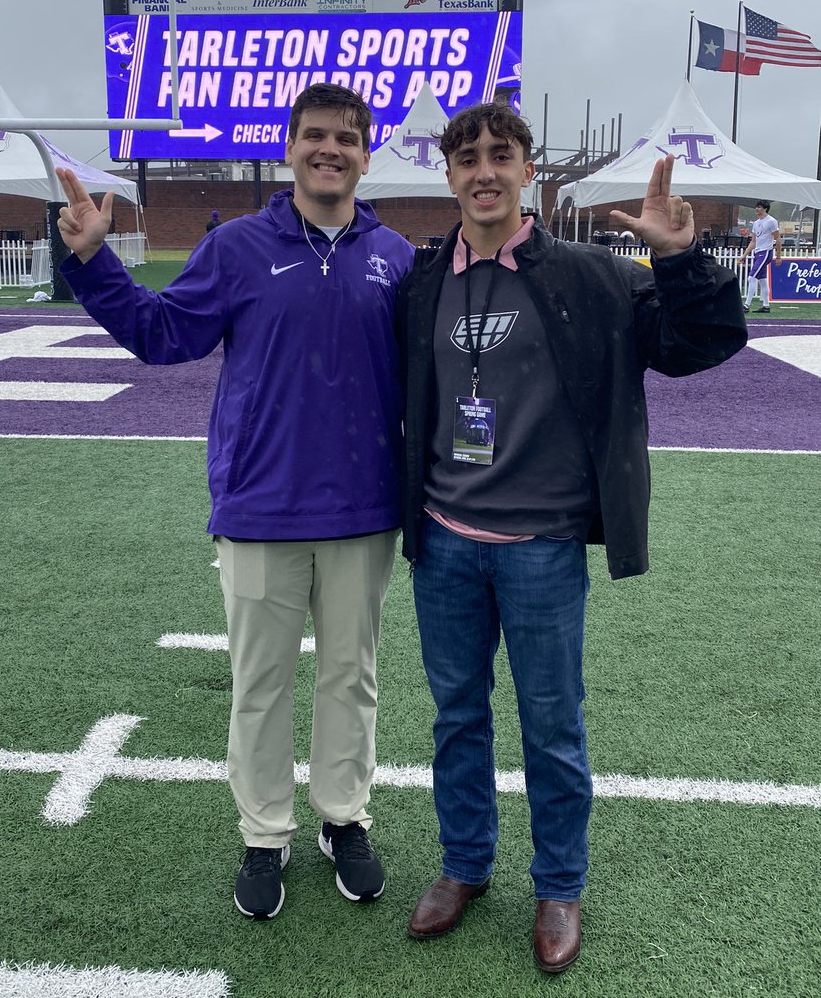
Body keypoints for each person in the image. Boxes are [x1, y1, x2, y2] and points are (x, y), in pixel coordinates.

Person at [397, 102, 747, 972]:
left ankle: (559, 885)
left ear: (527, 170)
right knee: (456, 717)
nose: (484, 170)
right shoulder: (422, 279)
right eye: (468, 157)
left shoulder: (591, 275)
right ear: (448, 175)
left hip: (542, 547)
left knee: (552, 726)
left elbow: (703, 343)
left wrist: (681, 260)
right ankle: (465, 865)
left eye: (502, 155)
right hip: (442, 540)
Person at [55, 83, 415, 921]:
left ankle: (342, 817)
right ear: (289, 146)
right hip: (259, 503)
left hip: (365, 505)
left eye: (346, 139)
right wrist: (93, 261)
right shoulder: (237, 246)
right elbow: (161, 334)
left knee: (351, 677)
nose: (330, 150)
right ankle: (265, 832)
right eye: (315, 136)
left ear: (367, 153)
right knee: (259, 684)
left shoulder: (396, 256)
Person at [737, 199, 781, 313]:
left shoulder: (771, 221)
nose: (757, 209)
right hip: (758, 252)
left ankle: (746, 305)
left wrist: (778, 256)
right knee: (762, 280)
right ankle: (766, 306)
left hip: (766, 252)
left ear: (765, 208)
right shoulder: (756, 223)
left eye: (759, 207)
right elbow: (753, 241)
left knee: (751, 277)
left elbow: (778, 239)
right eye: (756, 207)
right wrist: (744, 255)